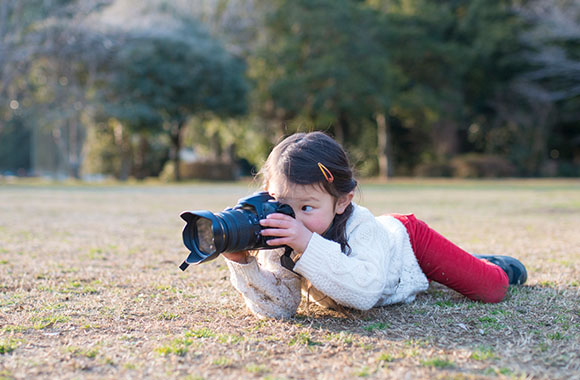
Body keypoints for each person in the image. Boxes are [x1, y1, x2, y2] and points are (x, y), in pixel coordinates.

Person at [223, 132, 527, 319]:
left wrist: (307, 244)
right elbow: (280, 308)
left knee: (491, 289)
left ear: (342, 201)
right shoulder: (283, 230)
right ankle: (458, 264)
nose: (293, 218)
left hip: (407, 242)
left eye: (307, 207)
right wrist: (243, 263)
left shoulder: (360, 226)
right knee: (432, 282)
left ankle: (488, 262)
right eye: (283, 203)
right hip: (387, 262)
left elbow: (365, 293)